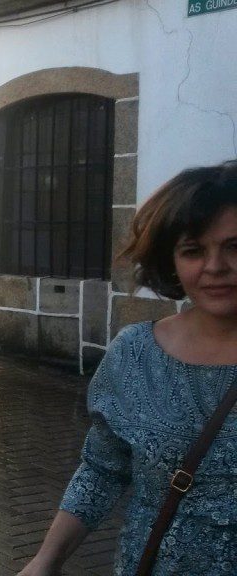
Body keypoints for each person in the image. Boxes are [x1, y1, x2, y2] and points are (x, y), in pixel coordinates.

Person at [19, 162, 237, 575]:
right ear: (171, 261)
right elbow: (103, 468)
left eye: (235, 246)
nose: (215, 267)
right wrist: (46, 560)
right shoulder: (137, 354)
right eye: (193, 250)